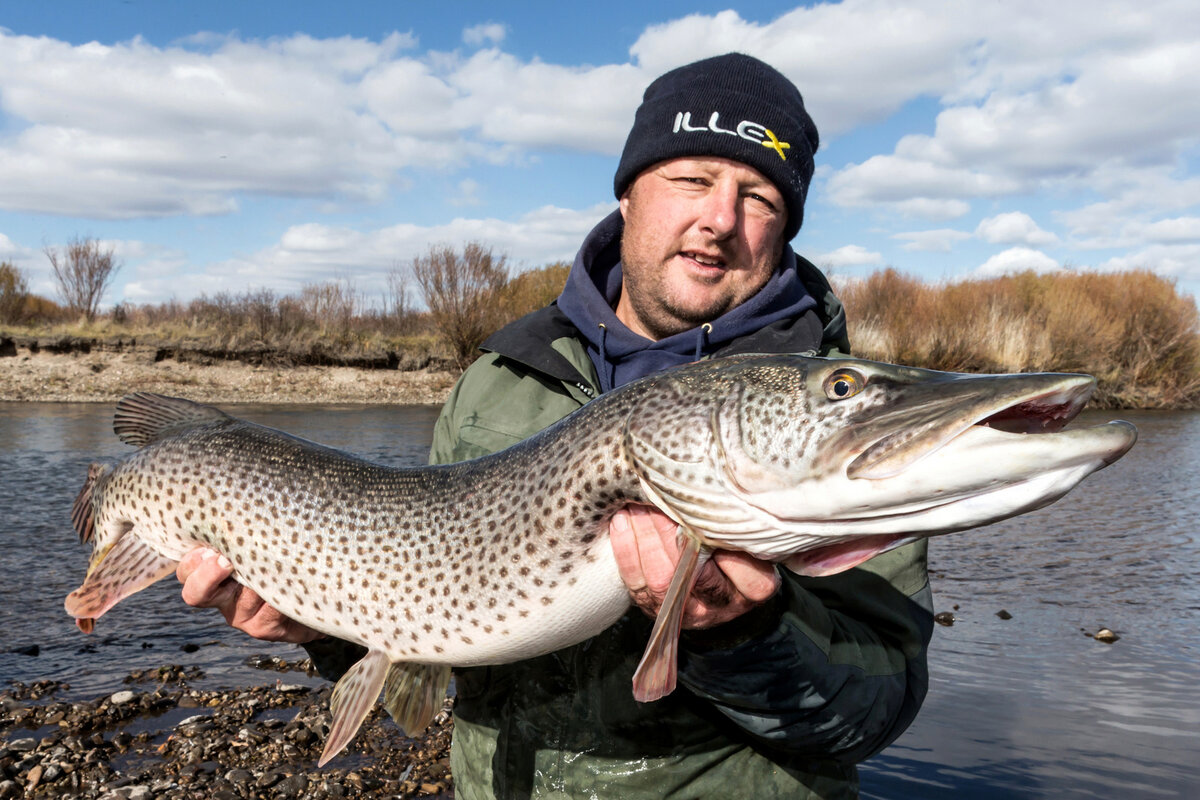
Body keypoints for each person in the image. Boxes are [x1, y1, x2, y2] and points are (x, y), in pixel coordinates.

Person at [177, 53, 934, 799]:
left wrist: (744, 636)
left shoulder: (839, 431)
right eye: (692, 180)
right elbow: (431, 627)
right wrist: (322, 627)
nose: (720, 219)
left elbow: (873, 711)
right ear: (630, 195)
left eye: (760, 196)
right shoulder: (499, 380)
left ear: (784, 230)